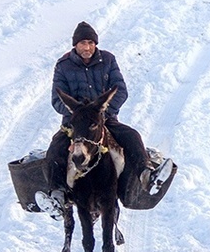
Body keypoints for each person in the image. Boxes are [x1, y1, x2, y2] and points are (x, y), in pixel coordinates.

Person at [37, 21, 162, 217]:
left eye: (90, 43)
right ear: (75, 45)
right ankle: (58, 195)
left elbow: (120, 90)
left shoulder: (108, 60)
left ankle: (146, 173)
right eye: (82, 44)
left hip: (104, 118)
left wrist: (102, 113)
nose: (87, 48)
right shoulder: (63, 66)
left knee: (131, 136)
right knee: (56, 149)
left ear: (95, 44)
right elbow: (56, 99)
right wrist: (78, 113)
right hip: (75, 123)